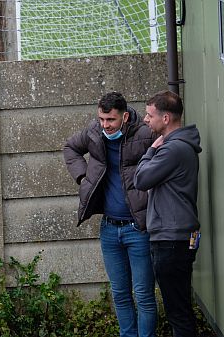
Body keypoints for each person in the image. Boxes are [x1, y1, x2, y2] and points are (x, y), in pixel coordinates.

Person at [64, 92, 157, 337]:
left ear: (124, 117)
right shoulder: (94, 133)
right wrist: (84, 178)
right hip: (109, 229)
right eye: (102, 119)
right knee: (120, 293)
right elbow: (71, 147)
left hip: (139, 228)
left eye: (111, 120)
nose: (105, 125)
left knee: (144, 294)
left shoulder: (146, 134)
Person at [134, 90, 201, 337]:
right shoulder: (179, 147)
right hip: (177, 237)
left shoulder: (171, 150)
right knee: (179, 308)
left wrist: (151, 149)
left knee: (178, 312)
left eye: (149, 115)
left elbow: (141, 179)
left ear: (166, 118)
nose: (145, 119)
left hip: (172, 241)